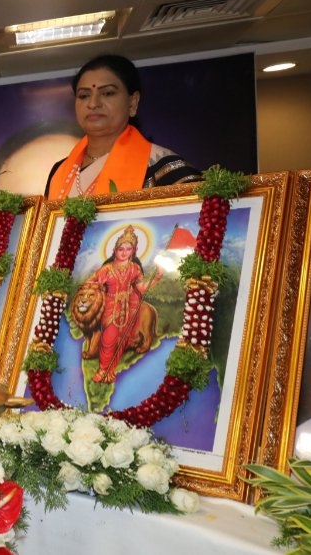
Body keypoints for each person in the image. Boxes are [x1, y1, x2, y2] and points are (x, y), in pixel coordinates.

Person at [45, 55, 201, 199]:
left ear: (133, 102)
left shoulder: (164, 169)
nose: (93, 104)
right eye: (84, 95)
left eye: (107, 93)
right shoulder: (59, 172)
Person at [80, 226, 163, 383]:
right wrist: (100, 284)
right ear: (115, 250)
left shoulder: (135, 269)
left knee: (122, 340)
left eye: (128, 249)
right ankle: (103, 369)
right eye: (121, 249)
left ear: (133, 250)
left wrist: (157, 277)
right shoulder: (106, 268)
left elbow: (142, 288)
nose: (124, 252)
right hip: (110, 307)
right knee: (108, 339)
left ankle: (111, 371)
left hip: (129, 307)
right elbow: (87, 284)